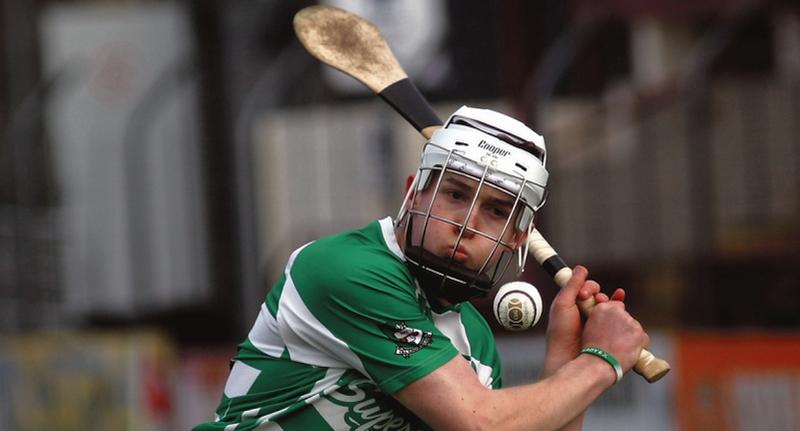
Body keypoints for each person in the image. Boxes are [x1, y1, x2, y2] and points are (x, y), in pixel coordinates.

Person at [194, 106, 646, 431]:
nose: (467, 223)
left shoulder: (475, 343)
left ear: (516, 237)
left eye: (494, 210)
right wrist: (601, 362)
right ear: (414, 193)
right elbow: (479, 422)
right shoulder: (346, 271)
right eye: (454, 194)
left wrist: (564, 358)